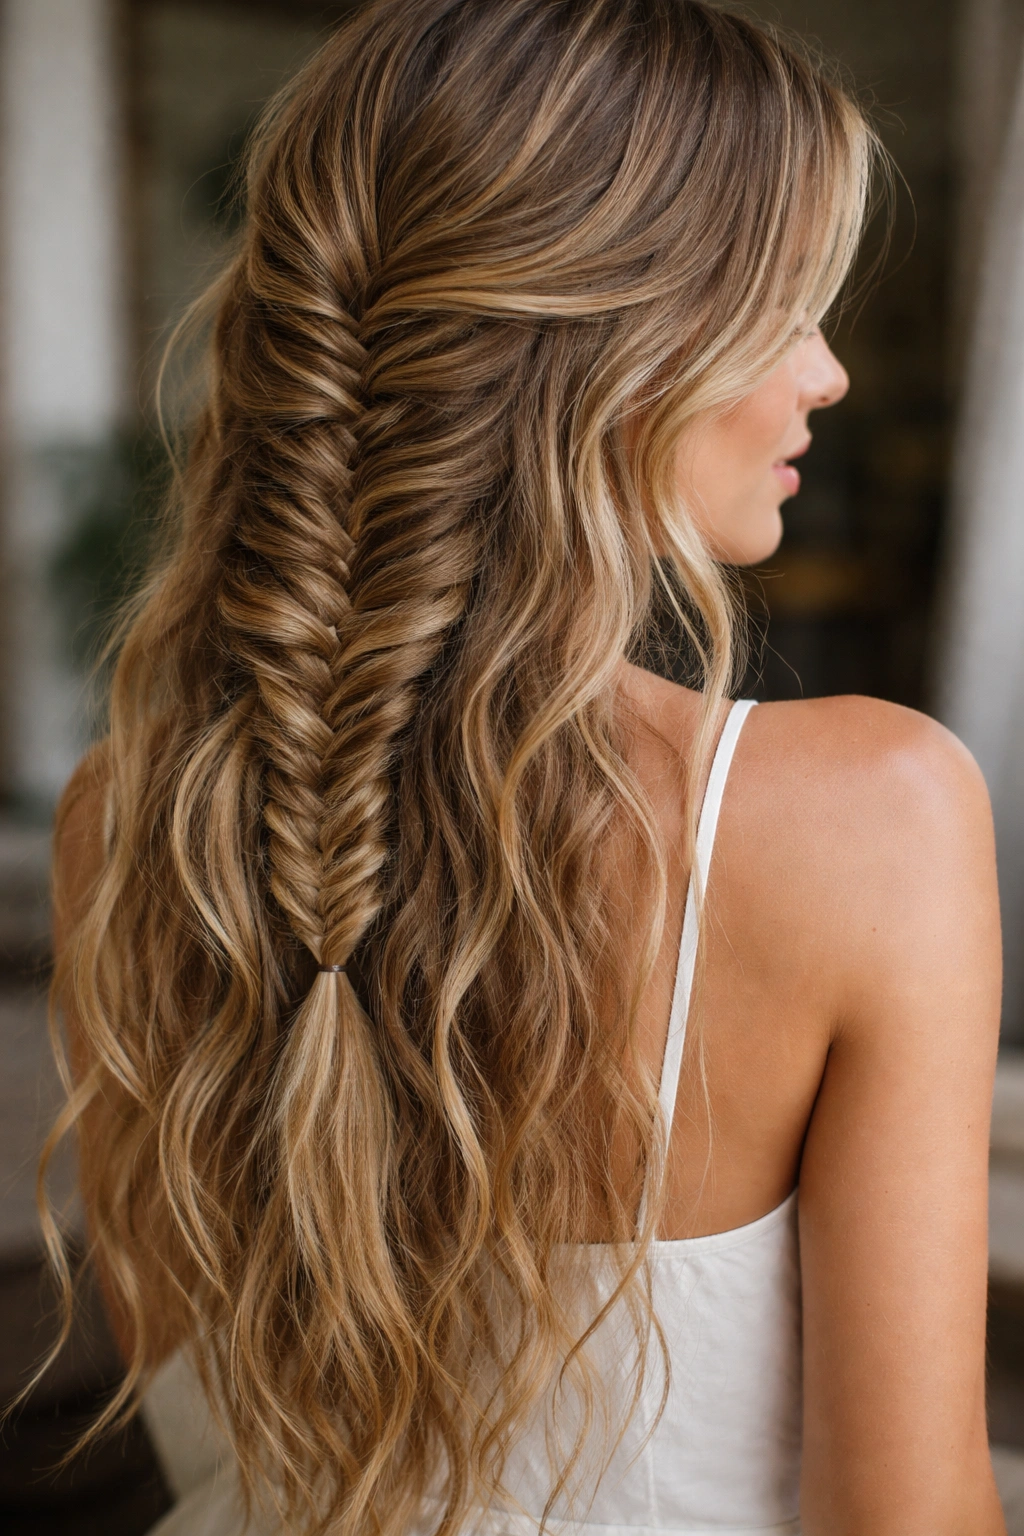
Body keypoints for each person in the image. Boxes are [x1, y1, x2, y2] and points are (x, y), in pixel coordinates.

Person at [48, 1, 1005, 1532]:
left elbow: (208, 1433)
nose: (827, 373)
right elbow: (906, 1516)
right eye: (779, 306)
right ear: (612, 339)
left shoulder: (127, 818)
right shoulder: (873, 820)